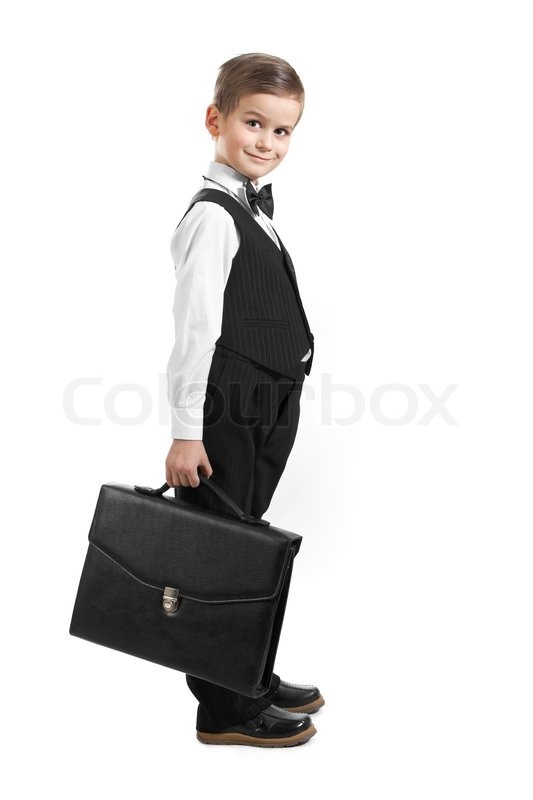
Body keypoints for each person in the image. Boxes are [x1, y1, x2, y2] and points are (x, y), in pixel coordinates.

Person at [164, 52, 324, 747]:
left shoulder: (252, 210)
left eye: (282, 131)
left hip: (264, 402)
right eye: (253, 123)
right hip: (229, 406)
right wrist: (186, 432)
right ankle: (223, 709)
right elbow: (194, 333)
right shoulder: (214, 217)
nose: (266, 141)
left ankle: (247, 675)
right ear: (216, 120)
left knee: (246, 544)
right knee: (222, 557)